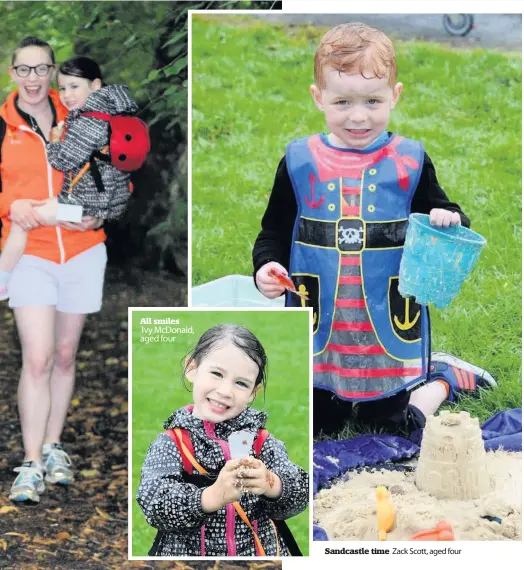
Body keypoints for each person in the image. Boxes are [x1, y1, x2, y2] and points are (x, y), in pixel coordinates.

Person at [252, 23, 496, 436]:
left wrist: (447, 218)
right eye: (343, 101)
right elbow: (272, 232)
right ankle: (334, 393)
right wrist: (266, 268)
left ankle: (443, 379)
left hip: (387, 325)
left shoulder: (409, 160)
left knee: (394, 432)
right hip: (322, 327)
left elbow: (449, 214)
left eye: (373, 100)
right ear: (319, 98)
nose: (359, 115)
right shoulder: (298, 161)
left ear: (394, 96)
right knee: (318, 428)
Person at [0, 37, 107, 502]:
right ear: (11, 73)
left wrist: (102, 211)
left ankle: (53, 443)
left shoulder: (82, 116)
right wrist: (14, 204)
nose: (33, 79)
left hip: (83, 251)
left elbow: (112, 176)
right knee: (38, 356)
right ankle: (31, 463)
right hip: (30, 253)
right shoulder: (1, 126)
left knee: (65, 355)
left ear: (53, 71)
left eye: (41, 69)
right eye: (23, 70)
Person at [136, 324, 309, 556]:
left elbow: (301, 492)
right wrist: (211, 496)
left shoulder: (260, 440)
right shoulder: (173, 443)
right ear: (192, 368)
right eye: (217, 374)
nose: (225, 391)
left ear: (252, 393)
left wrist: (272, 484)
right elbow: (154, 503)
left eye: (241, 383)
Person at [0, 55, 138, 301]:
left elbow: (63, 161)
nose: (67, 95)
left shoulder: (90, 121)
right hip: (92, 203)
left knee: (24, 219)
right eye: (63, 88)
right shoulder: (113, 115)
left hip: (82, 207)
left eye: (75, 87)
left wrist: (55, 140)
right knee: (38, 208)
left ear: (95, 86)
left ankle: (3, 279)